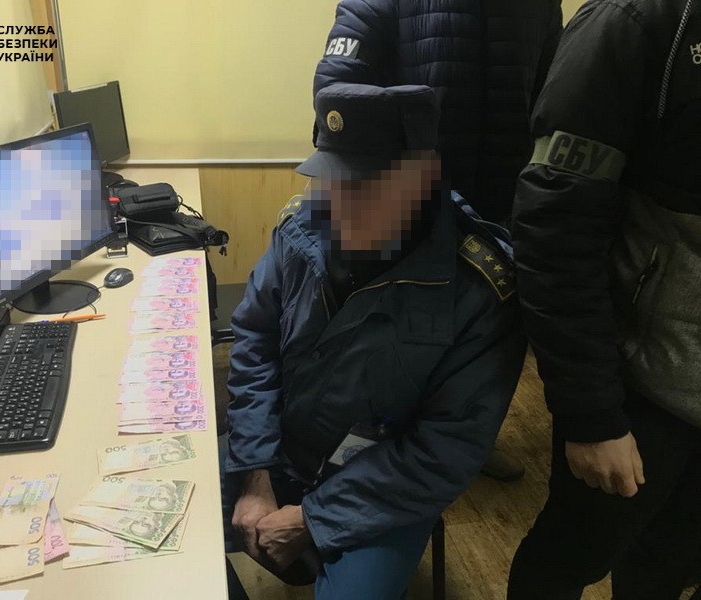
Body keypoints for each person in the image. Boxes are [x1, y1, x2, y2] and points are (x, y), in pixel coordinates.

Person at [222, 82, 527, 599]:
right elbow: (255, 339)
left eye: (364, 186)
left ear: (424, 177)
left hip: (381, 490)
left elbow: (446, 450)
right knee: (158, 521)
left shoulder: (478, 288)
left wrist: (311, 519)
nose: (338, 206)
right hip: (278, 451)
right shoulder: (300, 230)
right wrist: (255, 472)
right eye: (329, 181)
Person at [314, 0, 563, 481]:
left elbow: (551, 94)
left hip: (501, 208)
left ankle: (467, 441)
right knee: (399, 341)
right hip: (410, 205)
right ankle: (377, 459)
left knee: (487, 342)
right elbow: (336, 89)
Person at [507, 1, 701, 598]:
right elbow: (554, 228)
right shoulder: (631, 23)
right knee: (568, 558)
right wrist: (591, 416)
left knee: (669, 564)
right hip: (641, 389)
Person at [313, 0, 563, 225]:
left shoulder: (541, 6)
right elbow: (336, 99)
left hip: (507, 222)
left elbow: (550, 108)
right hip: (403, 219)